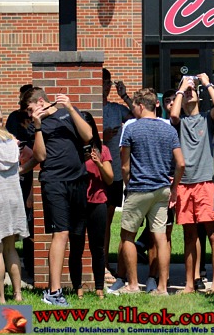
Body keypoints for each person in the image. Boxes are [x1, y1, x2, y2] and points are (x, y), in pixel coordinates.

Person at [22, 87, 93, 306]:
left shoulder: (68, 113)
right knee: (60, 233)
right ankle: (53, 292)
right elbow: (40, 156)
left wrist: (70, 108)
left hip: (78, 181)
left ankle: (76, 287)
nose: (30, 114)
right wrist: (38, 126)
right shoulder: (36, 126)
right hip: (54, 183)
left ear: (40, 102)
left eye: (30, 109)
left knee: (77, 234)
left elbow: (88, 136)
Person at [116, 88, 185, 295]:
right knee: (161, 238)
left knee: (127, 235)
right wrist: (174, 188)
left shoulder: (131, 128)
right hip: (162, 189)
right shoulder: (169, 129)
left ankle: (133, 285)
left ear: (140, 106)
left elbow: (125, 166)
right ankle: (162, 287)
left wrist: (128, 184)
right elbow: (181, 164)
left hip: (138, 188)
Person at [171, 73, 214, 295]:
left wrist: (206, 83)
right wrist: (182, 88)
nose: (189, 93)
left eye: (192, 91)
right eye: (186, 92)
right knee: (189, 236)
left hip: (206, 182)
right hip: (184, 184)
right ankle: (190, 284)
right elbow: (174, 114)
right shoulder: (179, 122)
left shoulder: (206, 118)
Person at [70, 112, 113, 300]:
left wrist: (99, 163)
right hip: (77, 203)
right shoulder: (71, 150)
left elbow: (110, 179)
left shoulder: (102, 150)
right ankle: (77, 289)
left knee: (97, 248)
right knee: (76, 248)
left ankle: (99, 289)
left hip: (98, 203)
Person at [102, 68, 132, 283]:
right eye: (102, 82)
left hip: (114, 172)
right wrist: (101, 136)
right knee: (97, 221)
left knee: (107, 221)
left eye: (108, 83)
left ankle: (104, 263)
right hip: (95, 172)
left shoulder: (116, 109)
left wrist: (125, 96)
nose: (105, 87)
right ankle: (100, 264)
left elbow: (141, 117)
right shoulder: (89, 108)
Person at [0, 121, 29, 303]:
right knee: (10, 249)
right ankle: (18, 294)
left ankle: (1, 298)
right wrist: (19, 171)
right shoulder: (13, 142)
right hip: (13, 198)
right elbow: (35, 156)